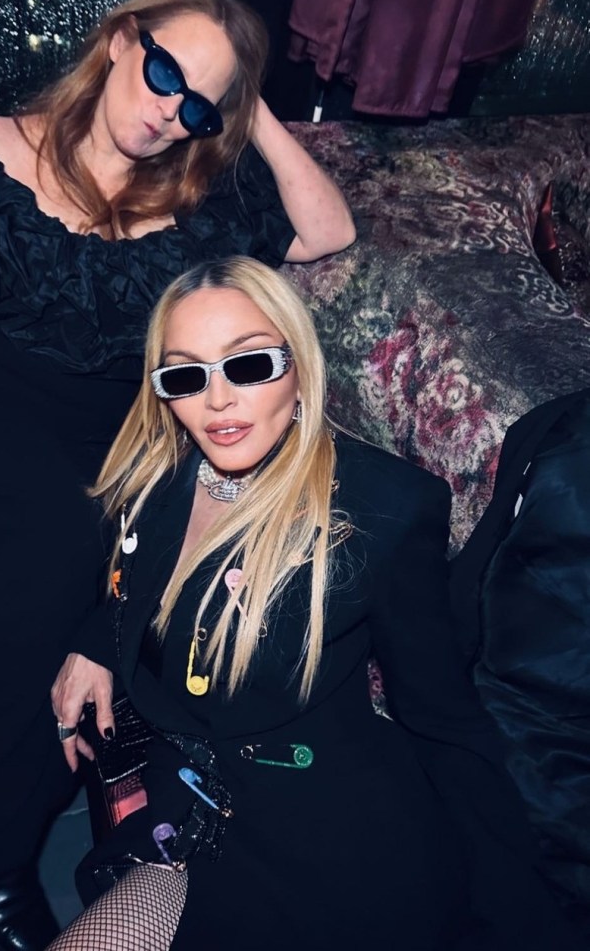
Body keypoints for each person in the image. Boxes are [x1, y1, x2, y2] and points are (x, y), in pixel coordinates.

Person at [0, 0, 355, 951]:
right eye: (165, 73)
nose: (171, 112)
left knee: (93, 587)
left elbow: (327, 228)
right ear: (122, 40)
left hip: (121, 449)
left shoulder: (198, 194)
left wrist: (246, 106)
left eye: (200, 106)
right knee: (9, 595)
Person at [49, 256, 584, 951]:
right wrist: (96, 641)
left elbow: (443, 719)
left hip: (331, 841)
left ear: (299, 364)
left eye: (248, 365)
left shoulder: (384, 509)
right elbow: (142, 585)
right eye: (185, 375)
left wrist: (513, 902)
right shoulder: (157, 477)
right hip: (195, 810)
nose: (216, 401)